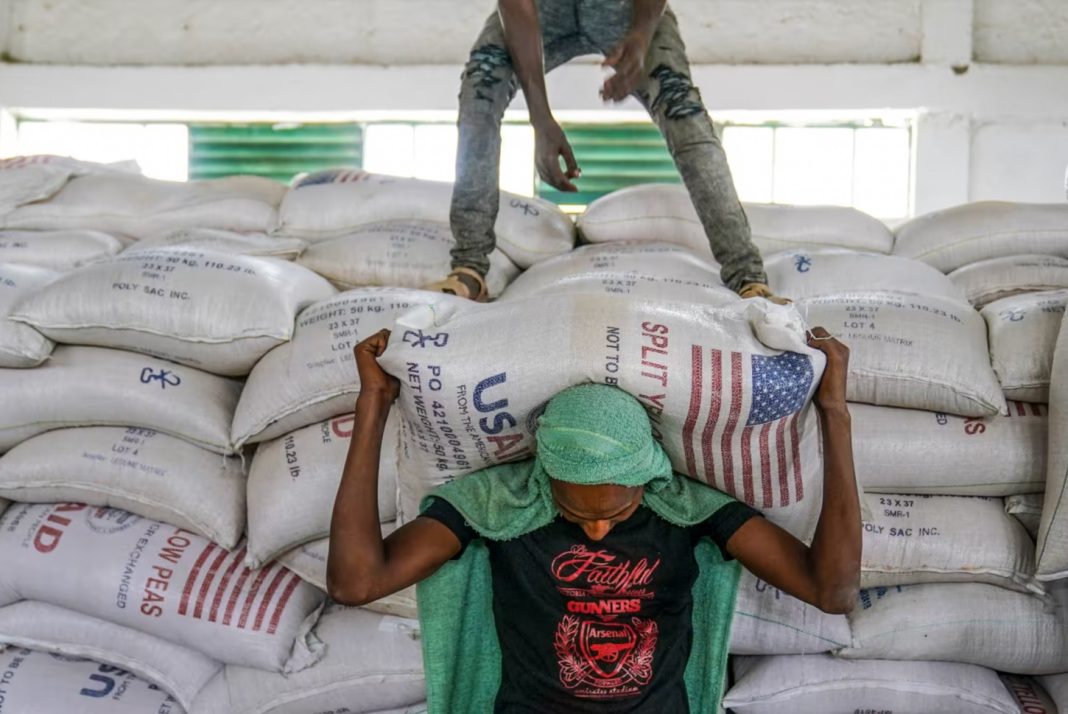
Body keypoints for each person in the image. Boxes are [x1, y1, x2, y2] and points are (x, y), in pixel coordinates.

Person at [327, 326, 860, 712]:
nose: (598, 531)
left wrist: (834, 414)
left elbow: (831, 590)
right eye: (574, 511)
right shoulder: (498, 506)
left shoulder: (689, 510)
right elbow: (356, 582)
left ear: (646, 474)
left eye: (616, 512)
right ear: (544, 475)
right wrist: (373, 403)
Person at [424, 0, 784, 304]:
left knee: (681, 108)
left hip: (627, 8)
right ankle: (469, 268)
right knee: (480, 89)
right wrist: (540, 119)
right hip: (544, 9)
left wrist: (641, 40)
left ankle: (748, 278)